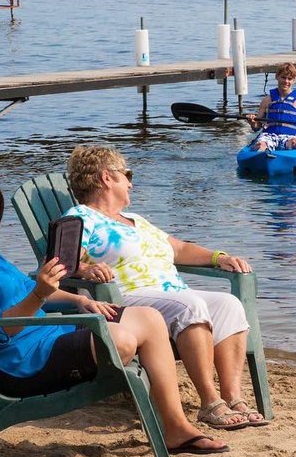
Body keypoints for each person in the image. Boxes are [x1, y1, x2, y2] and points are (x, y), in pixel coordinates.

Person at [0, 168, 228, 457]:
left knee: (149, 316)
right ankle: (173, 425)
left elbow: (27, 288)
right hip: (18, 364)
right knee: (119, 339)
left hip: (47, 338)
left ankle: (175, 427)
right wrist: (40, 293)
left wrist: (79, 301)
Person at [63, 145, 268, 430]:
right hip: (126, 299)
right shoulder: (81, 217)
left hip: (168, 294)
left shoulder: (138, 221)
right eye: (126, 174)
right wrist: (86, 269)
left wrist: (218, 258)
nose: (131, 182)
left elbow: (179, 248)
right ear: (106, 178)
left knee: (228, 304)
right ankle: (209, 402)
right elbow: (59, 263)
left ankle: (232, 397)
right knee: (189, 305)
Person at [244, 62, 296, 151]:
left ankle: (292, 156)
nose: (286, 81)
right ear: (277, 77)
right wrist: (252, 122)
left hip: (291, 136)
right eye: (283, 77)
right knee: (260, 146)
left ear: (294, 80)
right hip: (269, 135)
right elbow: (256, 127)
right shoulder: (267, 100)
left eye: (289, 78)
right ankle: (261, 156)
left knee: (293, 144)